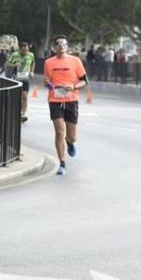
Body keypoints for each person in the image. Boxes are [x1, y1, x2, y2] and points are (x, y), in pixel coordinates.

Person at [43, 35, 88, 176]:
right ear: (54, 47)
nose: (61, 46)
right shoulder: (48, 62)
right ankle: (62, 163)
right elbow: (46, 80)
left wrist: (74, 86)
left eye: (64, 44)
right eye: (58, 44)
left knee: (71, 136)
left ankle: (70, 143)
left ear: (67, 47)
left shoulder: (75, 61)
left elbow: (85, 81)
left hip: (71, 100)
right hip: (55, 100)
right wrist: (48, 84)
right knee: (59, 131)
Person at [6, 41, 35, 122]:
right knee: (16, 96)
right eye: (23, 51)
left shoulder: (31, 55)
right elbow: (7, 64)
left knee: (25, 97)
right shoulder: (15, 55)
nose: (25, 52)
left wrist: (32, 71)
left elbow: (33, 62)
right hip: (16, 78)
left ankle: (23, 113)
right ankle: (14, 112)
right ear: (20, 49)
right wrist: (14, 65)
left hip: (25, 78)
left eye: (27, 50)